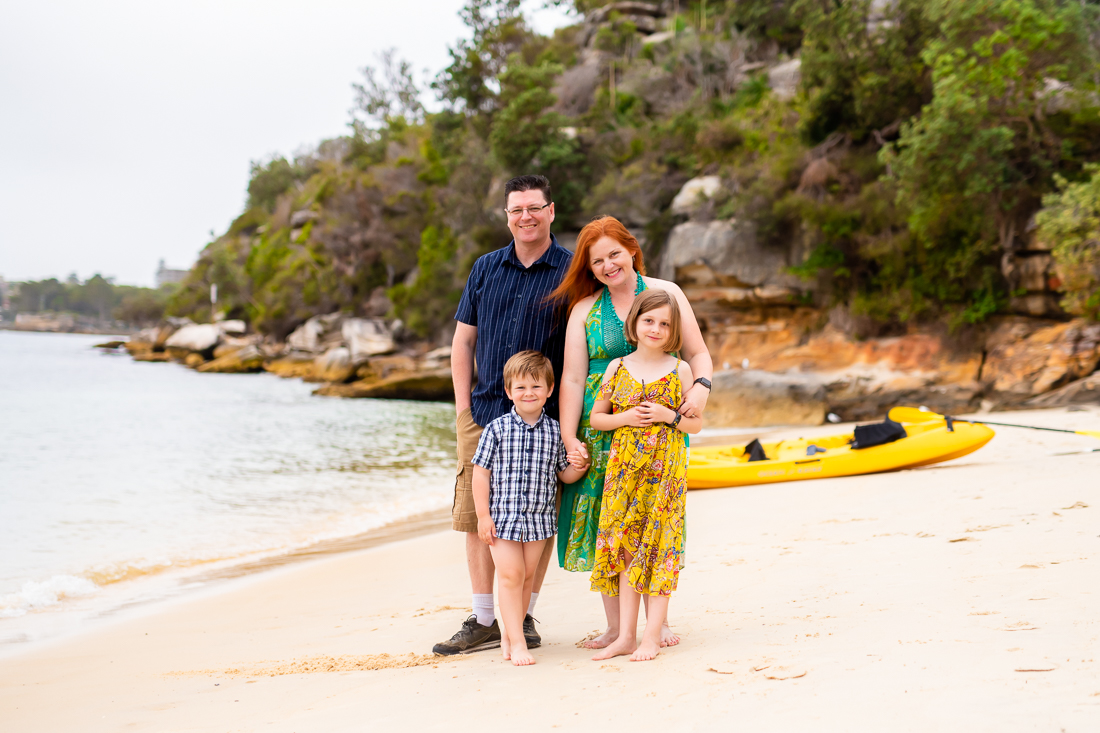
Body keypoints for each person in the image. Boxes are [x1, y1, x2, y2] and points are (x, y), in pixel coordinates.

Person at [549, 215, 713, 649]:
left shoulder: (666, 294)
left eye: (614, 254)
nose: (607, 265)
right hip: (601, 426)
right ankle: (617, 627)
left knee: (652, 517)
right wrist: (570, 437)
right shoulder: (584, 310)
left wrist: (701, 389)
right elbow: (570, 378)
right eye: (597, 260)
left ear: (632, 250)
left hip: (659, 421)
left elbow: (697, 353)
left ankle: (656, 623)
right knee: (608, 518)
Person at [433, 175, 572, 656]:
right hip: (484, 411)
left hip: (546, 419)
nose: (526, 217)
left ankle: (525, 615)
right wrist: (462, 408)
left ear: (551, 211)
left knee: (538, 513)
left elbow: (583, 348)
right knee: (477, 517)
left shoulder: (573, 271)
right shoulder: (486, 268)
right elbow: (463, 341)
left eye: (534, 208)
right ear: (507, 216)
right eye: (517, 210)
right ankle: (485, 618)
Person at [588, 290, 701, 661]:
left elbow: (695, 425)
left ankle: (651, 637)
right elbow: (597, 417)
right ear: (634, 323)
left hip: (664, 474)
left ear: (673, 331)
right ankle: (624, 636)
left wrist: (671, 417)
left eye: (665, 324)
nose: (656, 328)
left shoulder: (680, 368)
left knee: (660, 548)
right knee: (624, 549)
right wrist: (626, 417)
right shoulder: (617, 366)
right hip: (624, 474)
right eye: (649, 320)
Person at [472, 351, 590, 666]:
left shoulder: (555, 432)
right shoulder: (495, 429)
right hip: (503, 520)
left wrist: (580, 465)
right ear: (509, 391)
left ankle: (511, 635)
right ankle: (518, 641)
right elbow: (480, 474)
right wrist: (483, 516)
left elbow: (563, 474)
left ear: (550, 390)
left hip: (538, 522)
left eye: (536, 387)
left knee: (525, 578)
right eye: (521, 388)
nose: (529, 394)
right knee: (510, 575)